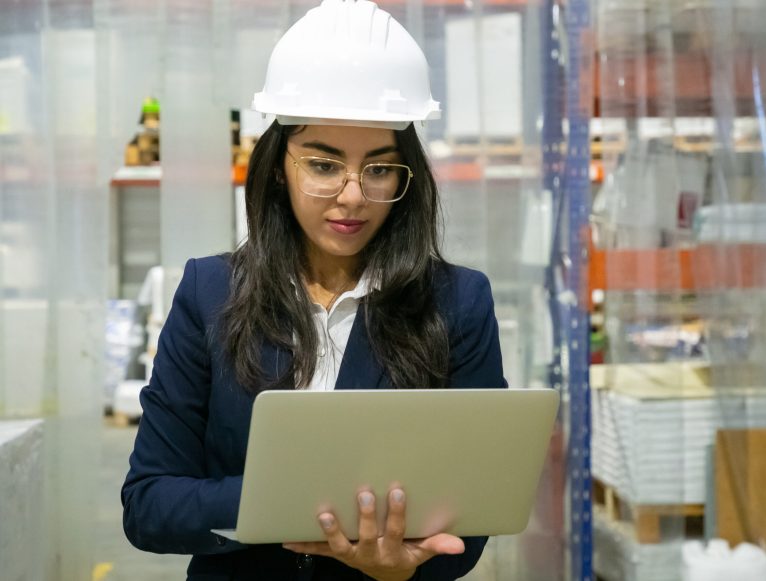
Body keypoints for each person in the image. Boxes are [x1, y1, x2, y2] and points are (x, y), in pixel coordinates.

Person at [121, 1, 507, 580]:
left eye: (378, 169)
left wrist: (404, 568)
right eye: (324, 165)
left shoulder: (456, 303)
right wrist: (291, 503)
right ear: (280, 167)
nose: (353, 196)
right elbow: (149, 505)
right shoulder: (211, 293)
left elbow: (471, 518)